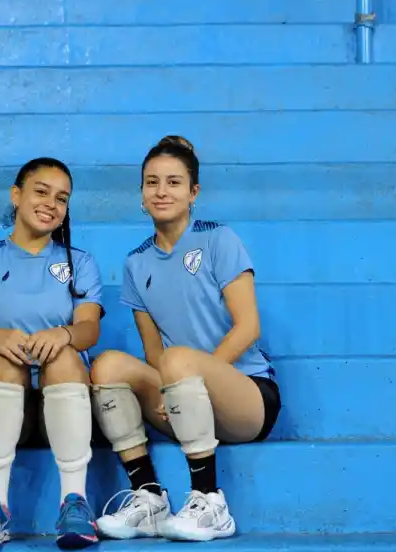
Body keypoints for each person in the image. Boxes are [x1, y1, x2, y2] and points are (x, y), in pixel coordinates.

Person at [89, 136, 281, 542]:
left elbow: (248, 327)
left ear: (194, 192)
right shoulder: (135, 263)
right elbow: (152, 352)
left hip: (246, 397)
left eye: (174, 182)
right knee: (106, 364)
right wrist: (175, 385)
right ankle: (149, 498)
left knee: (177, 360)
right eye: (152, 182)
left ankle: (210, 501)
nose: (162, 192)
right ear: (140, 192)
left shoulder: (218, 240)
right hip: (184, 396)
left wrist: (187, 376)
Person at [0, 157, 105, 550]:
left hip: (67, 402)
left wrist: (64, 333)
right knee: (2, 357)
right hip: (5, 407)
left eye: (62, 198)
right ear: (16, 195)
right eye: (41, 191)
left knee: (66, 354)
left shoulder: (81, 263)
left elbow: (90, 329)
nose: (51, 204)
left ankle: (75, 502)